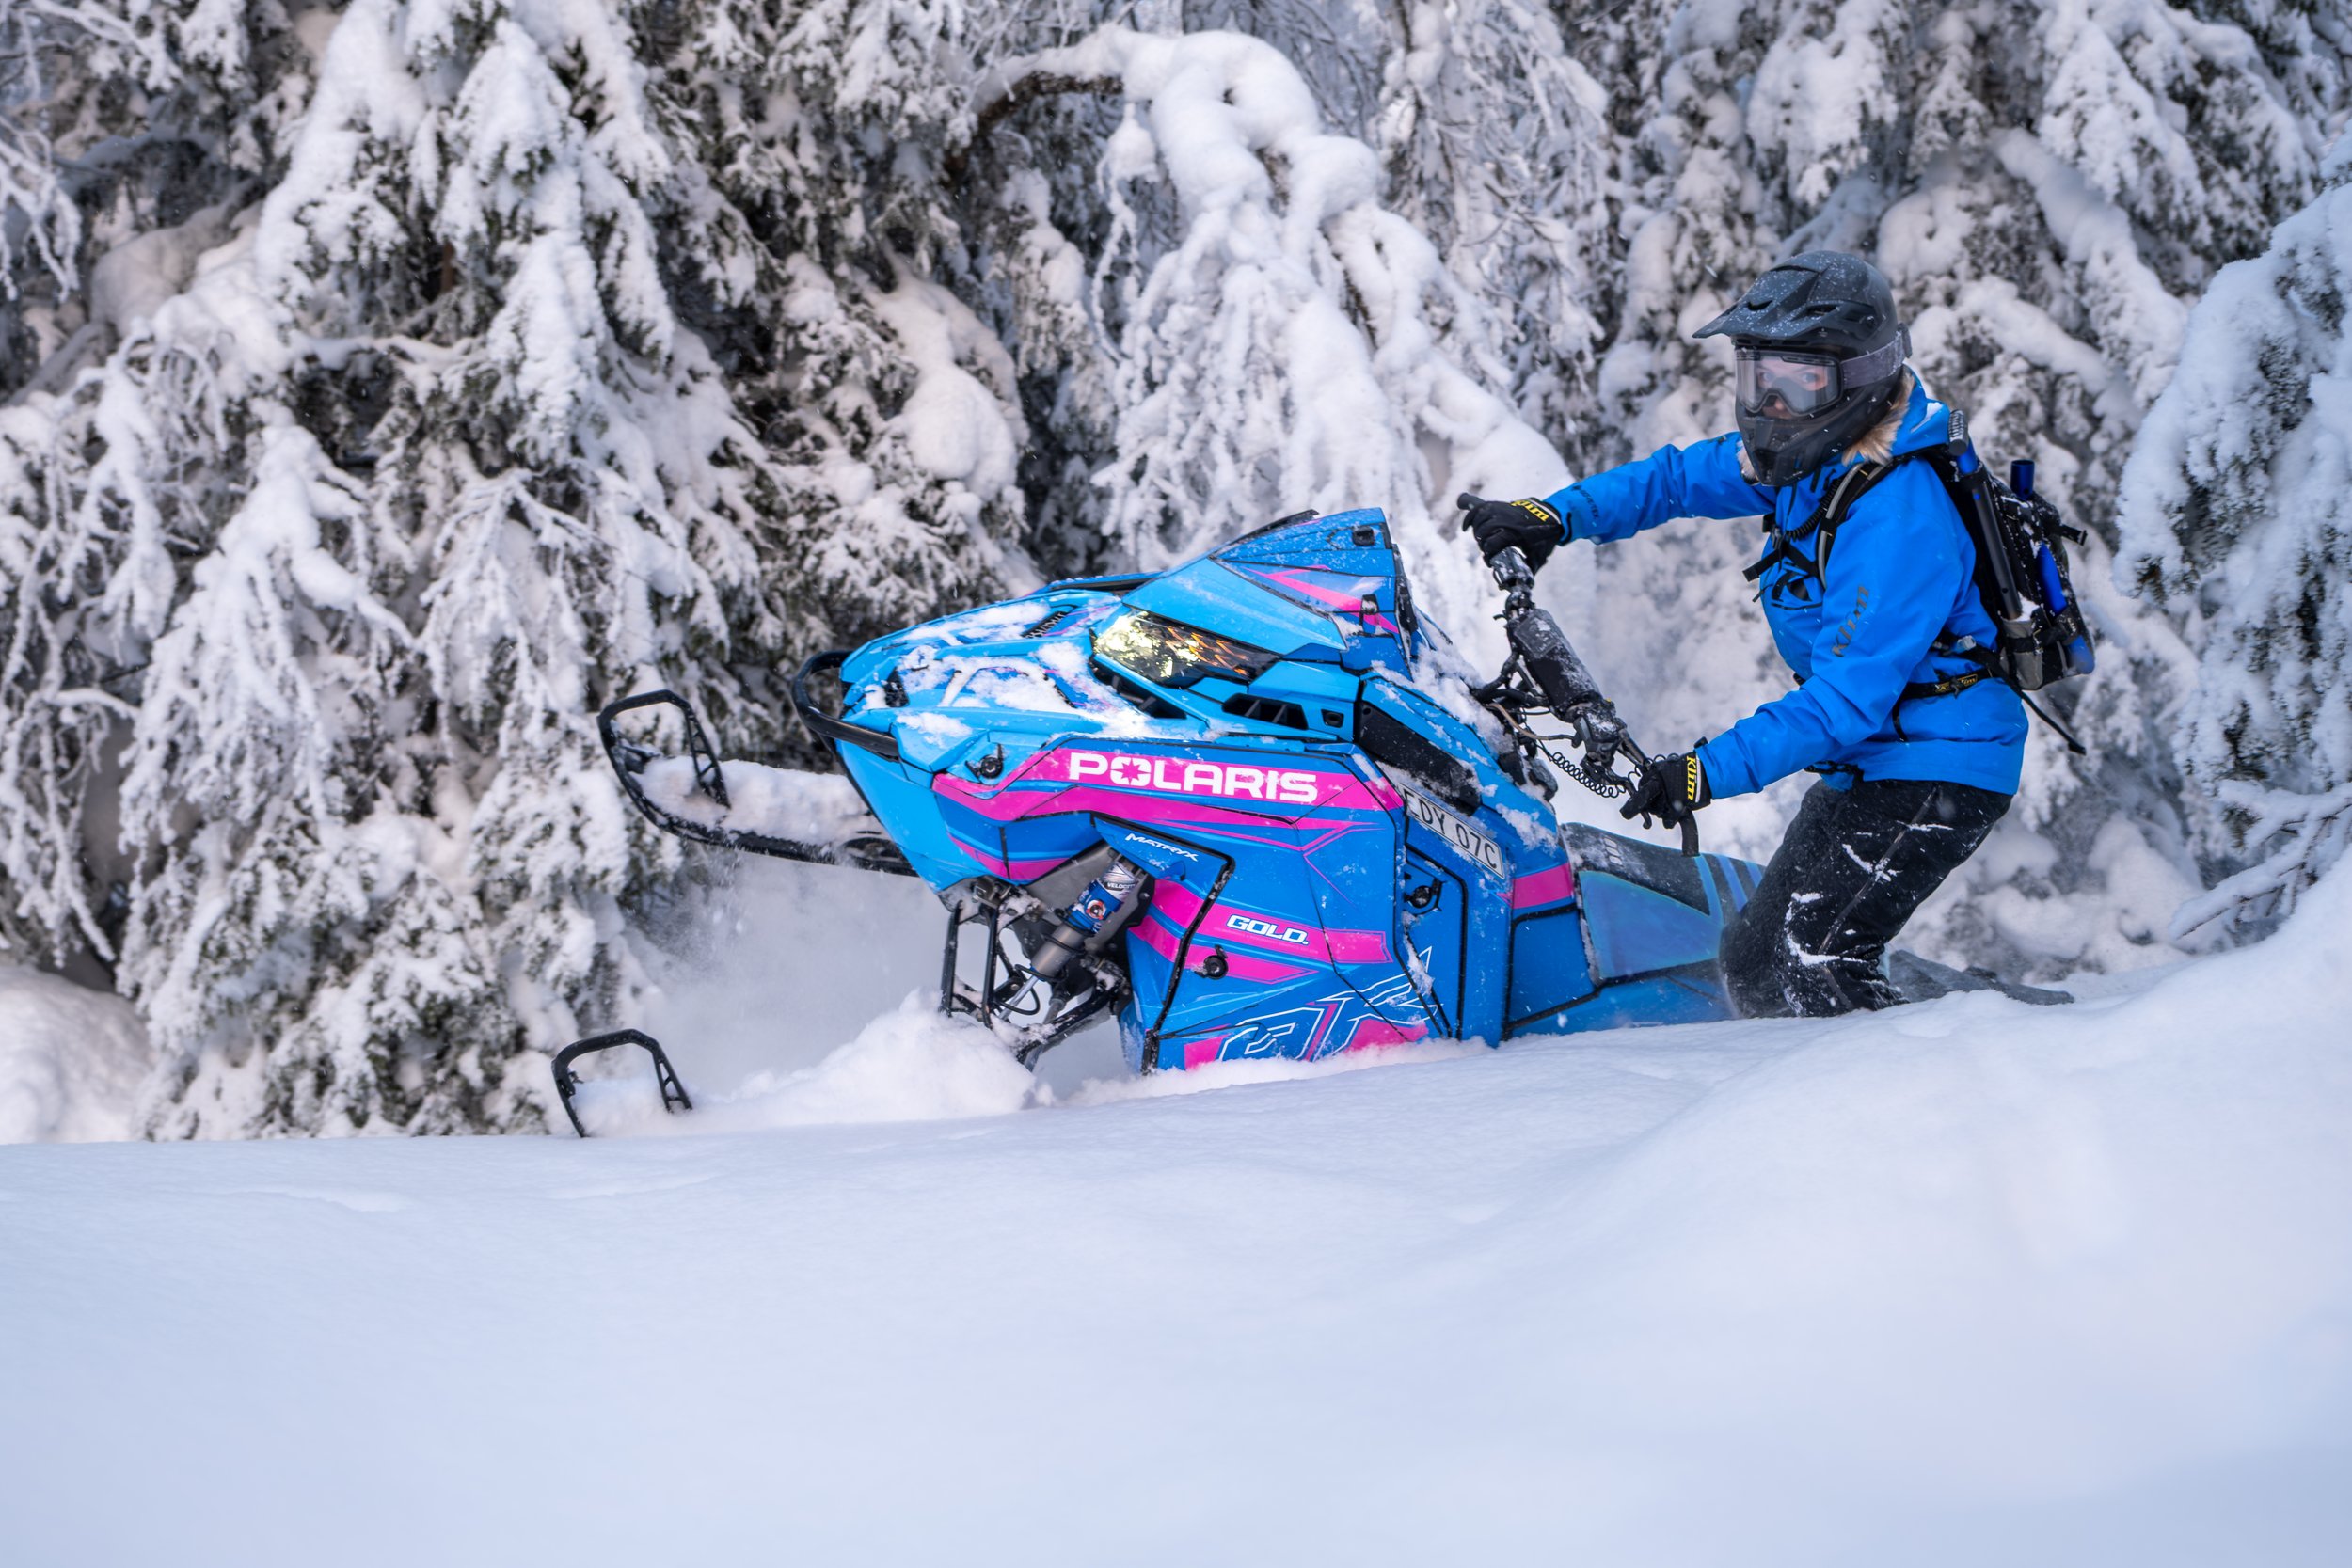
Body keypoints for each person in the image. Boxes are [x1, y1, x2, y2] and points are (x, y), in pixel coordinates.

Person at [1460, 250, 2026, 1019]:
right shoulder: (1817, 456)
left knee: (1813, 964)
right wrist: (1554, 515)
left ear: (1858, 377)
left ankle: (1942, 1097)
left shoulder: (1899, 515)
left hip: (1937, 767)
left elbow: (1839, 707)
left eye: (1797, 380)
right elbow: (1678, 479)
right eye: (1758, 375)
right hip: (1877, 759)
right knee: (1756, 963)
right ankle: (1975, 1017)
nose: (1770, 402)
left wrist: (1702, 773)